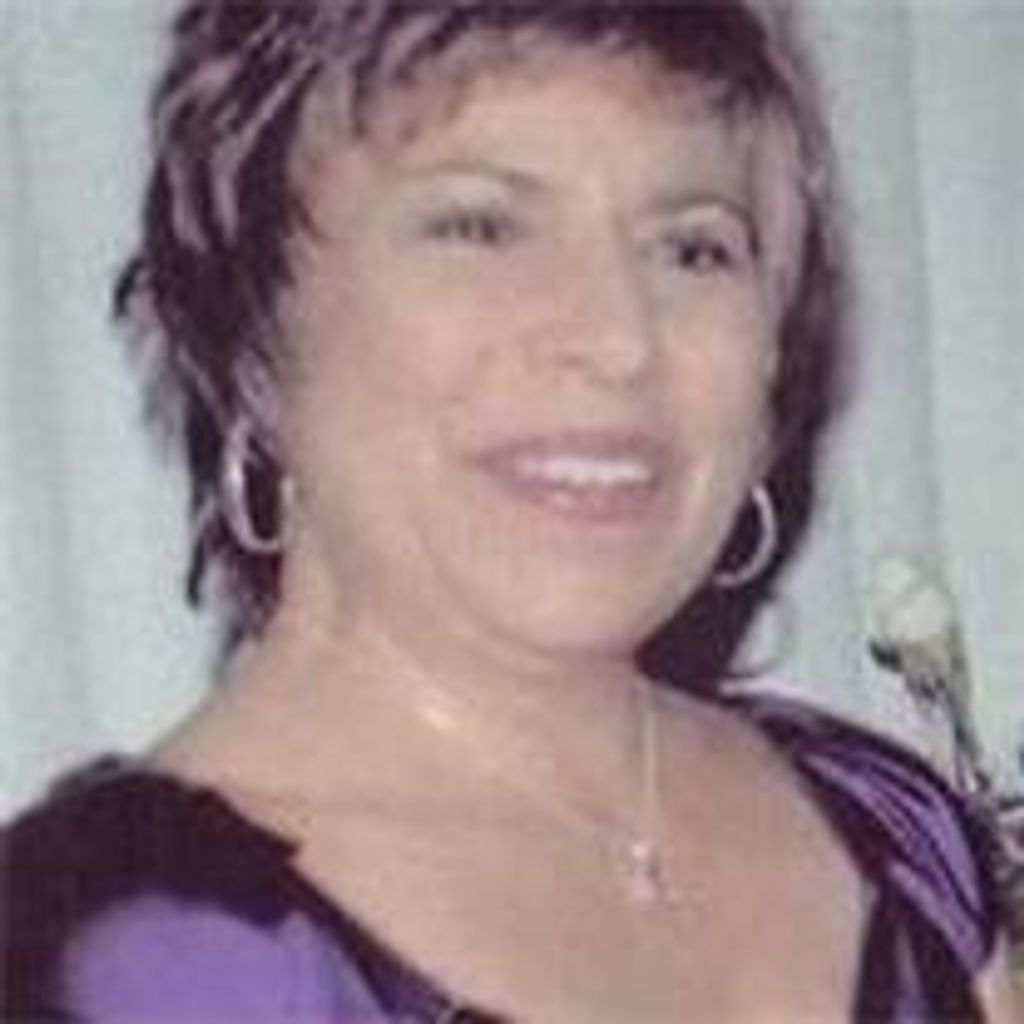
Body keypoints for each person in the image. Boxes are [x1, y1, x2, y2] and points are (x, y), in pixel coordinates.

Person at [3, 0, 1020, 1020]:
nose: (617, 338)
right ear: (254, 332)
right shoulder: (114, 957)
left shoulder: (888, 831)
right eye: (479, 228)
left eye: (692, 248)